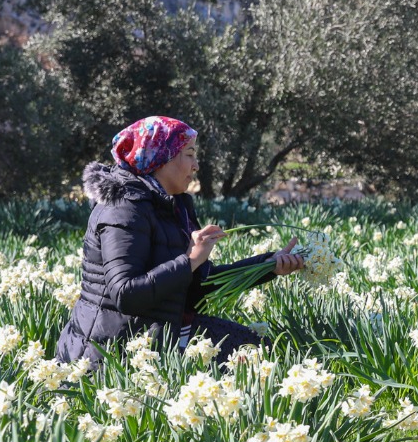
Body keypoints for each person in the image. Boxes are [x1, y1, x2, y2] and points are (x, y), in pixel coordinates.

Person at [55, 116, 304, 368]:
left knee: (260, 351)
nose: (196, 166)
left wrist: (266, 266)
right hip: (111, 353)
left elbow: (196, 287)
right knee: (250, 363)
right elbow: (126, 294)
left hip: (160, 333)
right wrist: (190, 260)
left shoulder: (174, 206)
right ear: (161, 156)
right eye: (189, 154)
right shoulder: (123, 208)